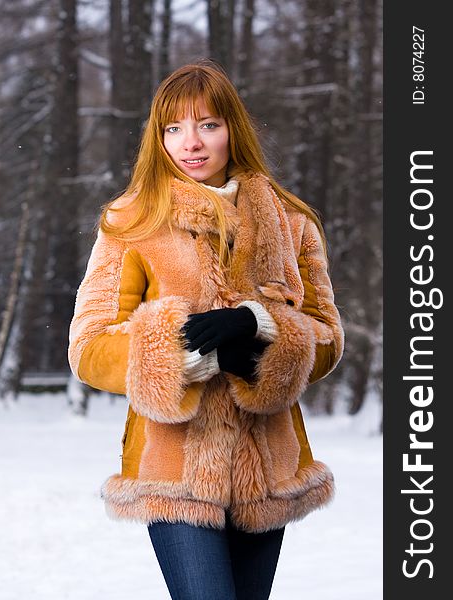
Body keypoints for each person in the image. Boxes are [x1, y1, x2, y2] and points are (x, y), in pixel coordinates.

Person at [68, 59, 344, 600]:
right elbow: (89, 346)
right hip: (171, 464)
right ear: (159, 138)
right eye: (174, 128)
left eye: (207, 125)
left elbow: (328, 339)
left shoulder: (291, 223)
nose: (190, 143)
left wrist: (261, 329)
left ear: (232, 130)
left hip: (267, 466)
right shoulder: (131, 222)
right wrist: (189, 354)